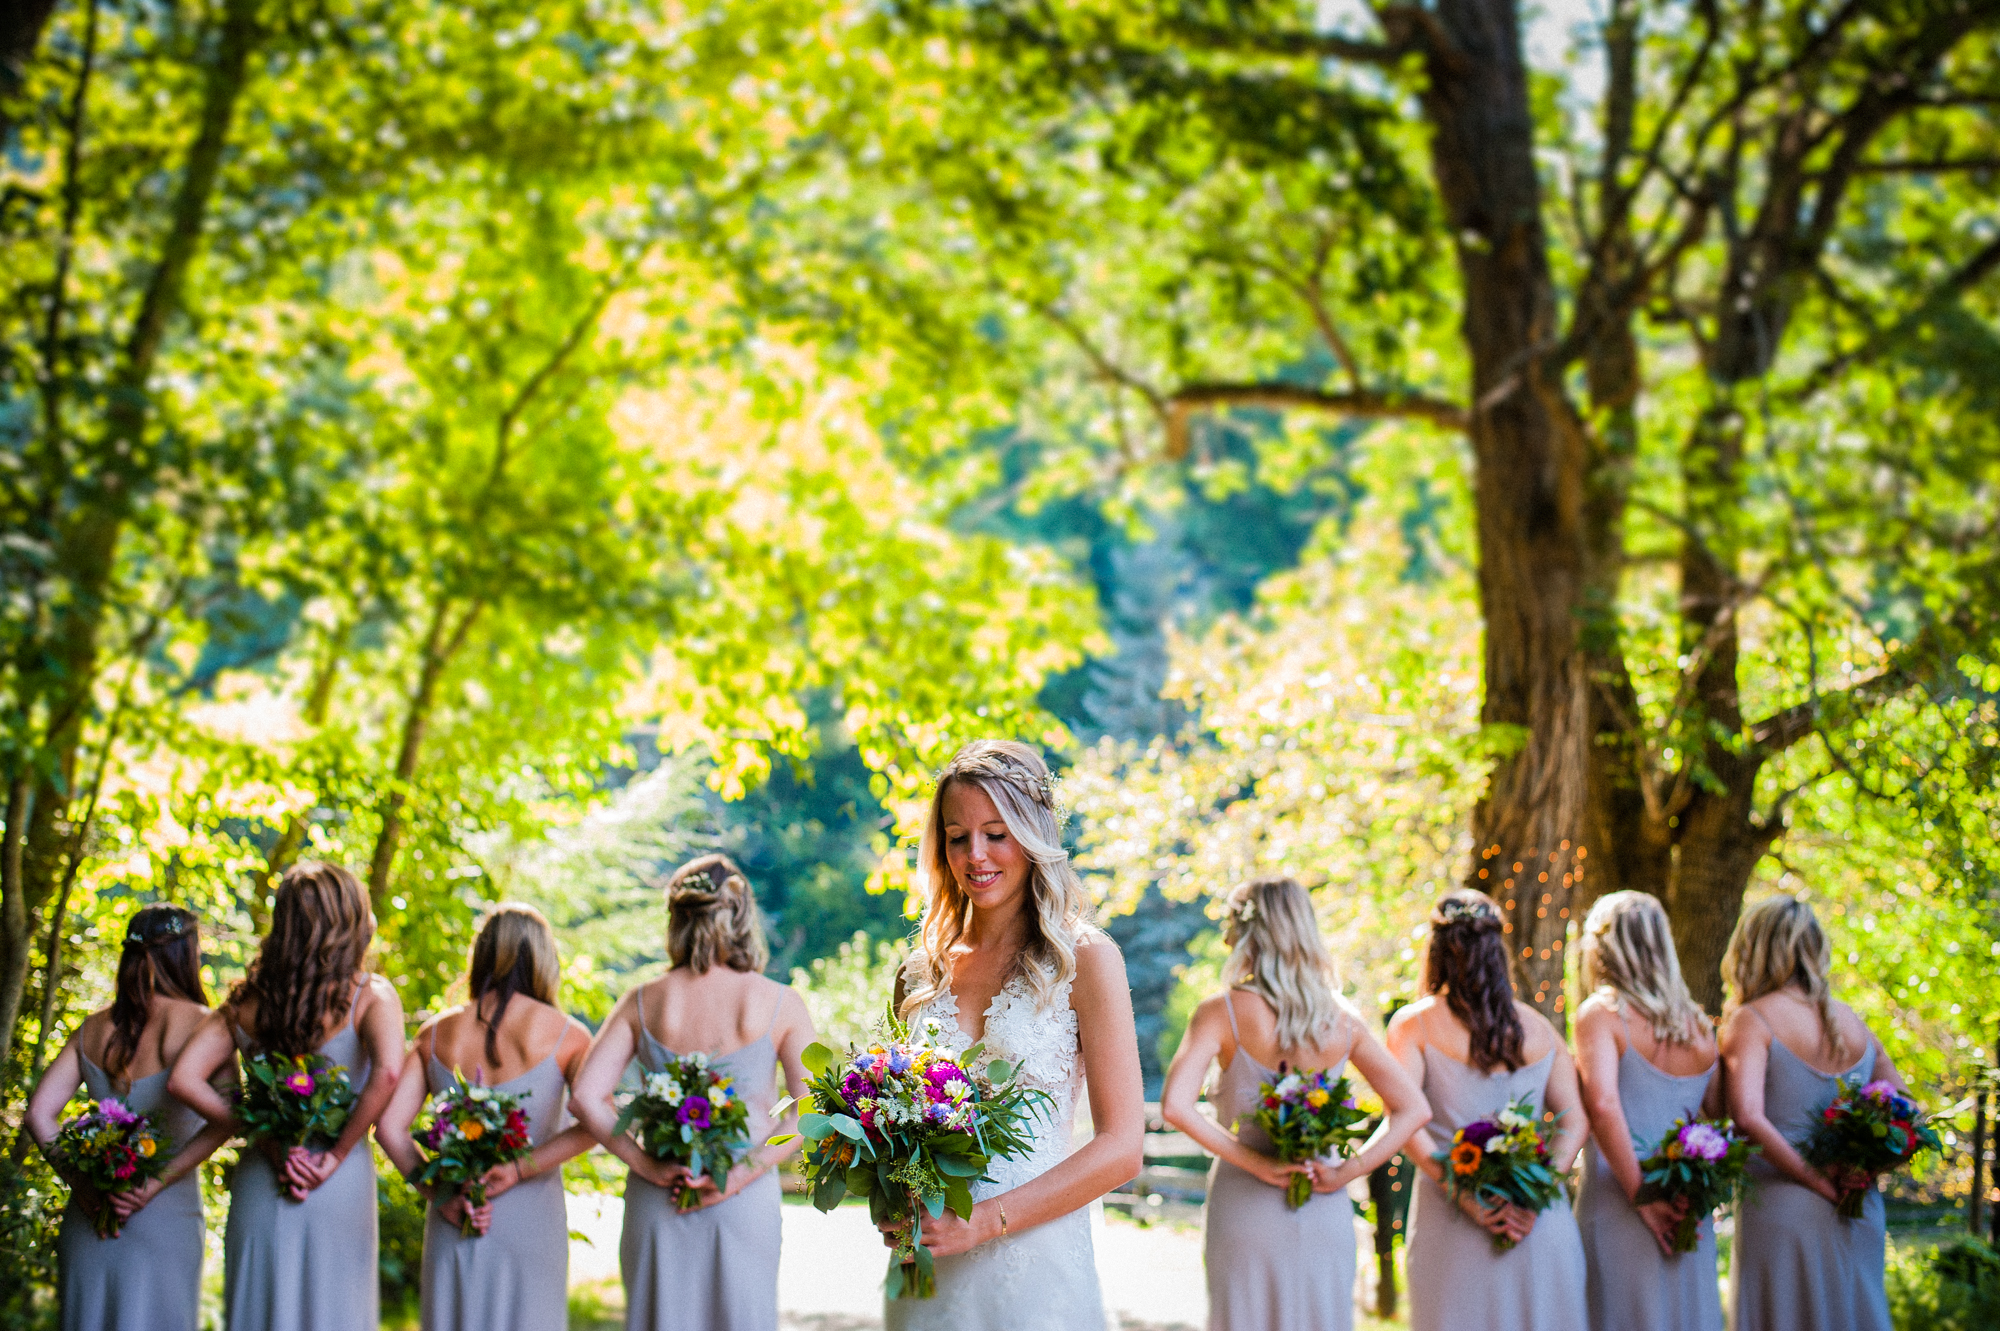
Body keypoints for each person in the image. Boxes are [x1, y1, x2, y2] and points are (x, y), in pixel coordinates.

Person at [880, 739, 1145, 1331]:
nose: (976, 855)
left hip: (1036, 1268)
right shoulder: (919, 972)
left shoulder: (1085, 960)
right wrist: (894, 1197)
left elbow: (1123, 1147)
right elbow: (898, 1126)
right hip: (927, 1266)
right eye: (957, 836)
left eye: (997, 833)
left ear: (1033, 835)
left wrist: (985, 1220)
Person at [1160, 876, 1430, 1331]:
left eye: (1230, 924)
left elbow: (1175, 1107)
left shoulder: (1220, 1012)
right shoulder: (1342, 1020)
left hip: (1245, 1204)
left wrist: (1255, 1163)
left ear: (1247, 933)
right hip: (1322, 1205)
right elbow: (1413, 1109)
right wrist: (1346, 1172)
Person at [571, 853, 817, 1331]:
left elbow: (584, 1096)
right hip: (741, 1202)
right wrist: (740, 1175)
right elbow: (812, 1110)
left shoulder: (642, 999)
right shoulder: (780, 1002)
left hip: (659, 1196)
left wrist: (646, 1165)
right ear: (742, 917)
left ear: (677, 920)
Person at [169, 862, 404, 1331]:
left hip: (265, 1175)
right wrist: (335, 1155)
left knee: (263, 1310)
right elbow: (389, 1072)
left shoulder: (244, 1003)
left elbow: (184, 1078)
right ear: (347, 921)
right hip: (337, 1179)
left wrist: (266, 1138)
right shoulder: (371, 996)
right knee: (337, 1312)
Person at [376, 903, 596, 1331]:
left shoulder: (436, 1032)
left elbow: (387, 1127)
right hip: (531, 1220)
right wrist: (518, 1168)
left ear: (481, 956)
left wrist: (440, 1194)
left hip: (453, 1214)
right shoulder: (569, 1035)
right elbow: (595, 1122)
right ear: (543, 960)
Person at [1386, 888, 1588, 1331]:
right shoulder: (1541, 1029)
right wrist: (1538, 1192)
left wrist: (1466, 1197)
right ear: (1499, 951)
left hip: (1455, 1219)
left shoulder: (1413, 1025)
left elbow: (1405, 1121)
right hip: (1535, 1223)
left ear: (1436, 951)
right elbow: (1575, 1119)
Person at [26, 905, 235, 1331]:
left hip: (92, 1221)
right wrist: (154, 1184)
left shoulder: (92, 1028)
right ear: (186, 955)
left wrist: (82, 1185)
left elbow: (38, 1115)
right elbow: (232, 1117)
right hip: (166, 1220)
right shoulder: (205, 1026)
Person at [1721, 894, 1906, 1331]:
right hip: (1856, 1205)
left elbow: (1746, 1117)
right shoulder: (1853, 1023)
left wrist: (1814, 1179)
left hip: (1783, 1209)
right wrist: (1864, 1170)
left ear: (1753, 948)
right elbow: (1908, 1114)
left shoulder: (1752, 1020)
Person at [1572, 891, 1725, 1331]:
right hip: (1686, 1204)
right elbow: (1715, 1111)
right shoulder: (1698, 1024)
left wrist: (1645, 1195)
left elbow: (1602, 1103)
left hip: (1618, 1199)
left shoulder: (1602, 1013)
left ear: (1602, 947)